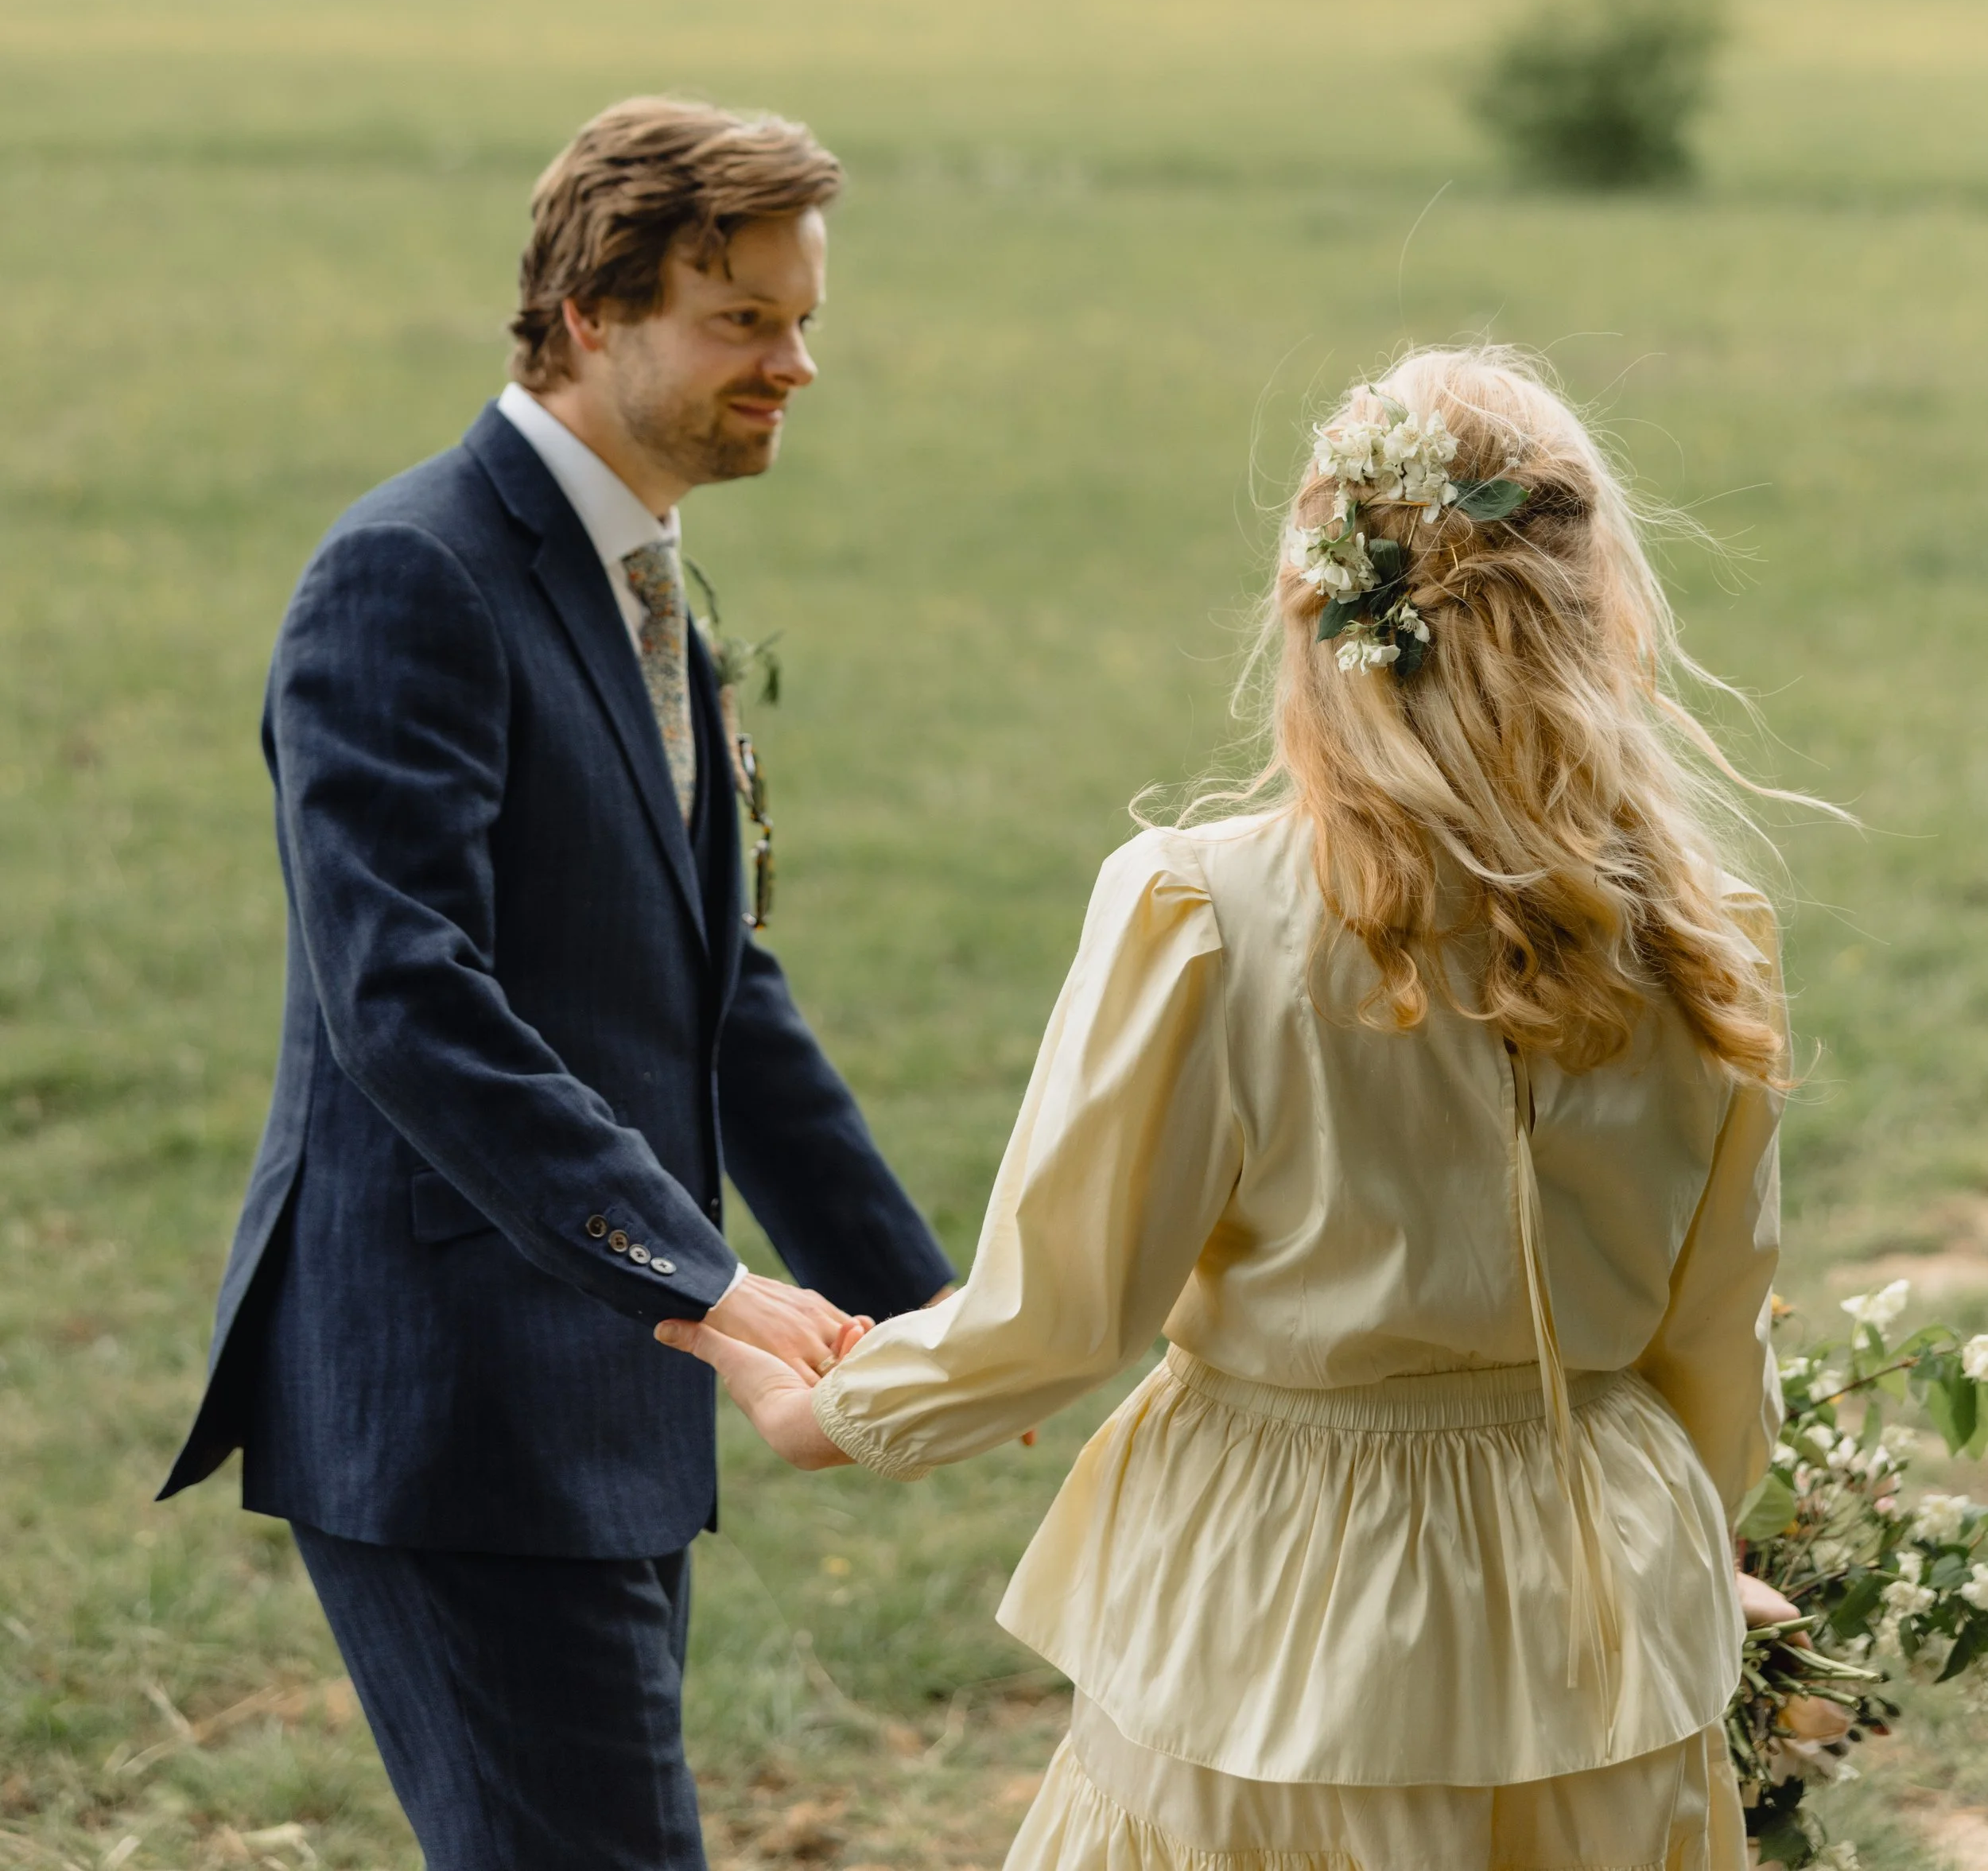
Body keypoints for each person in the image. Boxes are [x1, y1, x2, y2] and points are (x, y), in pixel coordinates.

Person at [668, 347, 1800, 1871]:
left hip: (1295, 1583)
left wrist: (833, 1413)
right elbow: (1716, 1319)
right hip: (1600, 1579)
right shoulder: (1696, 928)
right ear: (1601, 599)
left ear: (1316, 604)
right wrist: (1688, 1538)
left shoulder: (1205, 912)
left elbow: (1065, 1310)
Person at [159, 95, 953, 1871]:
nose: (796, 362)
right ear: (592, 311)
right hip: (455, 1400)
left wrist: (938, 1307)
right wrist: (700, 1276)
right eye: (744, 317)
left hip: (592, 1392)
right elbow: (406, 1000)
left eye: (802, 316)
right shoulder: (410, 572)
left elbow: (709, 988)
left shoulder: (640, 571)